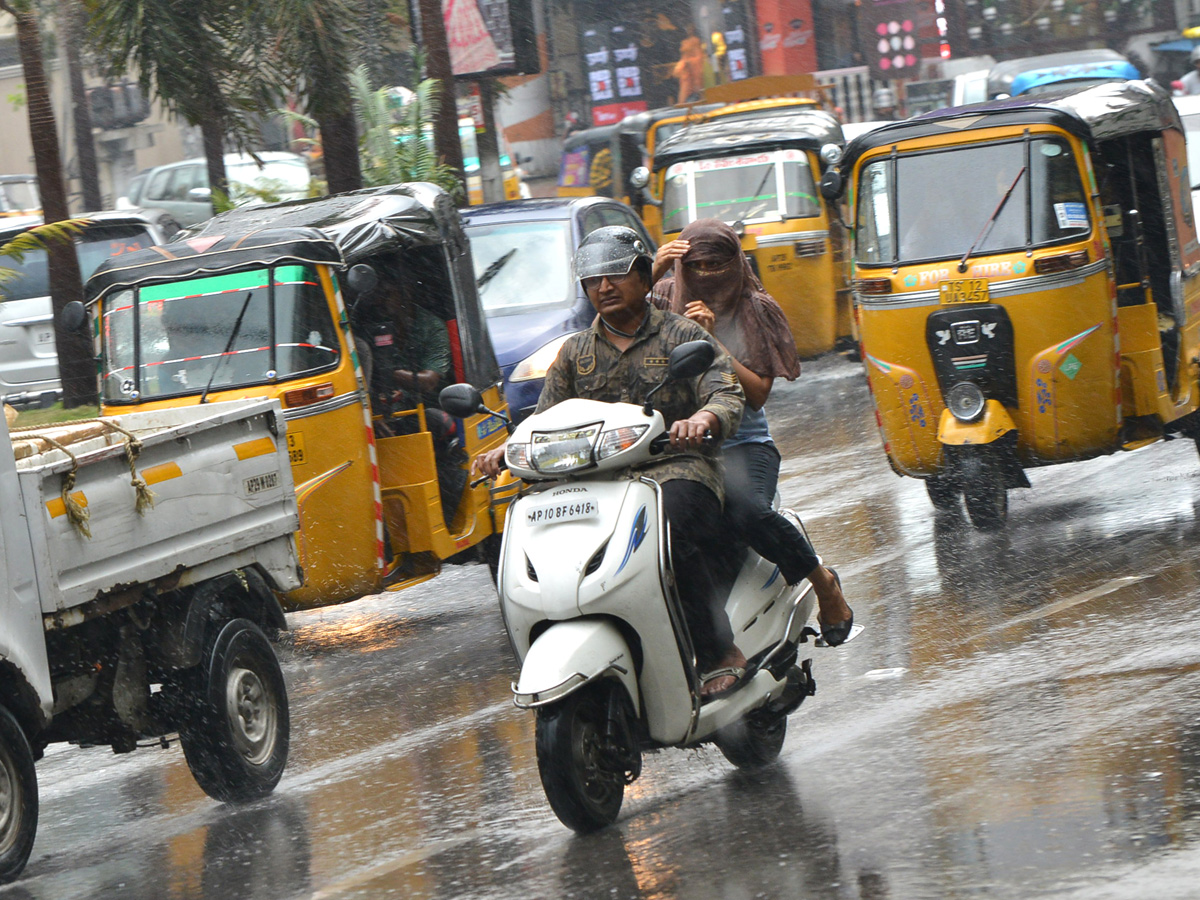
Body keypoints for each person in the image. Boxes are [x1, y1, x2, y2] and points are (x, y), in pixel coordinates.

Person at [473, 226, 749, 697]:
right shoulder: (574, 353)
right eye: (593, 280)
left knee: (670, 533)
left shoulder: (680, 333)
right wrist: (506, 449)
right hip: (595, 483)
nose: (603, 287)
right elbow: (545, 419)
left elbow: (725, 392)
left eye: (616, 275)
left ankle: (718, 649)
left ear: (645, 278)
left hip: (676, 470)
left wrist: (702, 418)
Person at [650, 219, 855, 647]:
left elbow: (758, 393)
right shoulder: (665, 296)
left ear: (735, 263)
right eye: (695, 264)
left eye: (715, 264)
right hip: (673, 449)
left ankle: (822, 581)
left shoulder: (753, 308)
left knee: (747, 510)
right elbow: (621, 324)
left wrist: (710, 341)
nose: (705, 274)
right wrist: (652, 272)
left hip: (742, 444)